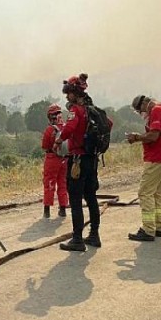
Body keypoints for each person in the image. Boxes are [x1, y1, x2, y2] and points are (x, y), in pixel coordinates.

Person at [54, 73, 102, 252]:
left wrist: (58, 140)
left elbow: (69, 129)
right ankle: (94, 235)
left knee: (75, 199)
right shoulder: (92, 110)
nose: (67, 97)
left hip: (78, 160)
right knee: (91, 197)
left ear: (75, 92)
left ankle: (77, 239)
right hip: (92, 159)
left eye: (69, 93)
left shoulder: (76, 111)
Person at [126, 95, 161, 242]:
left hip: (155, 159)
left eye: (140, 110)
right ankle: (158, 227)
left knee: (145, 193)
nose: (141, 114)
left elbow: (153, 136)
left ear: (145, 103)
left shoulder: (157, 111)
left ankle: (148, 229)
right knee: (156, 194)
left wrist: (136, 137)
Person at [41, 104, 69, 219]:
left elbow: (44, 146)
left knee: (49, 184)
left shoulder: (49, 130)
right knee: (63, 183)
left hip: (52, 159)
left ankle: (47, 211)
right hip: (64, 159)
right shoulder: (66, 127)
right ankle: (62, 209)